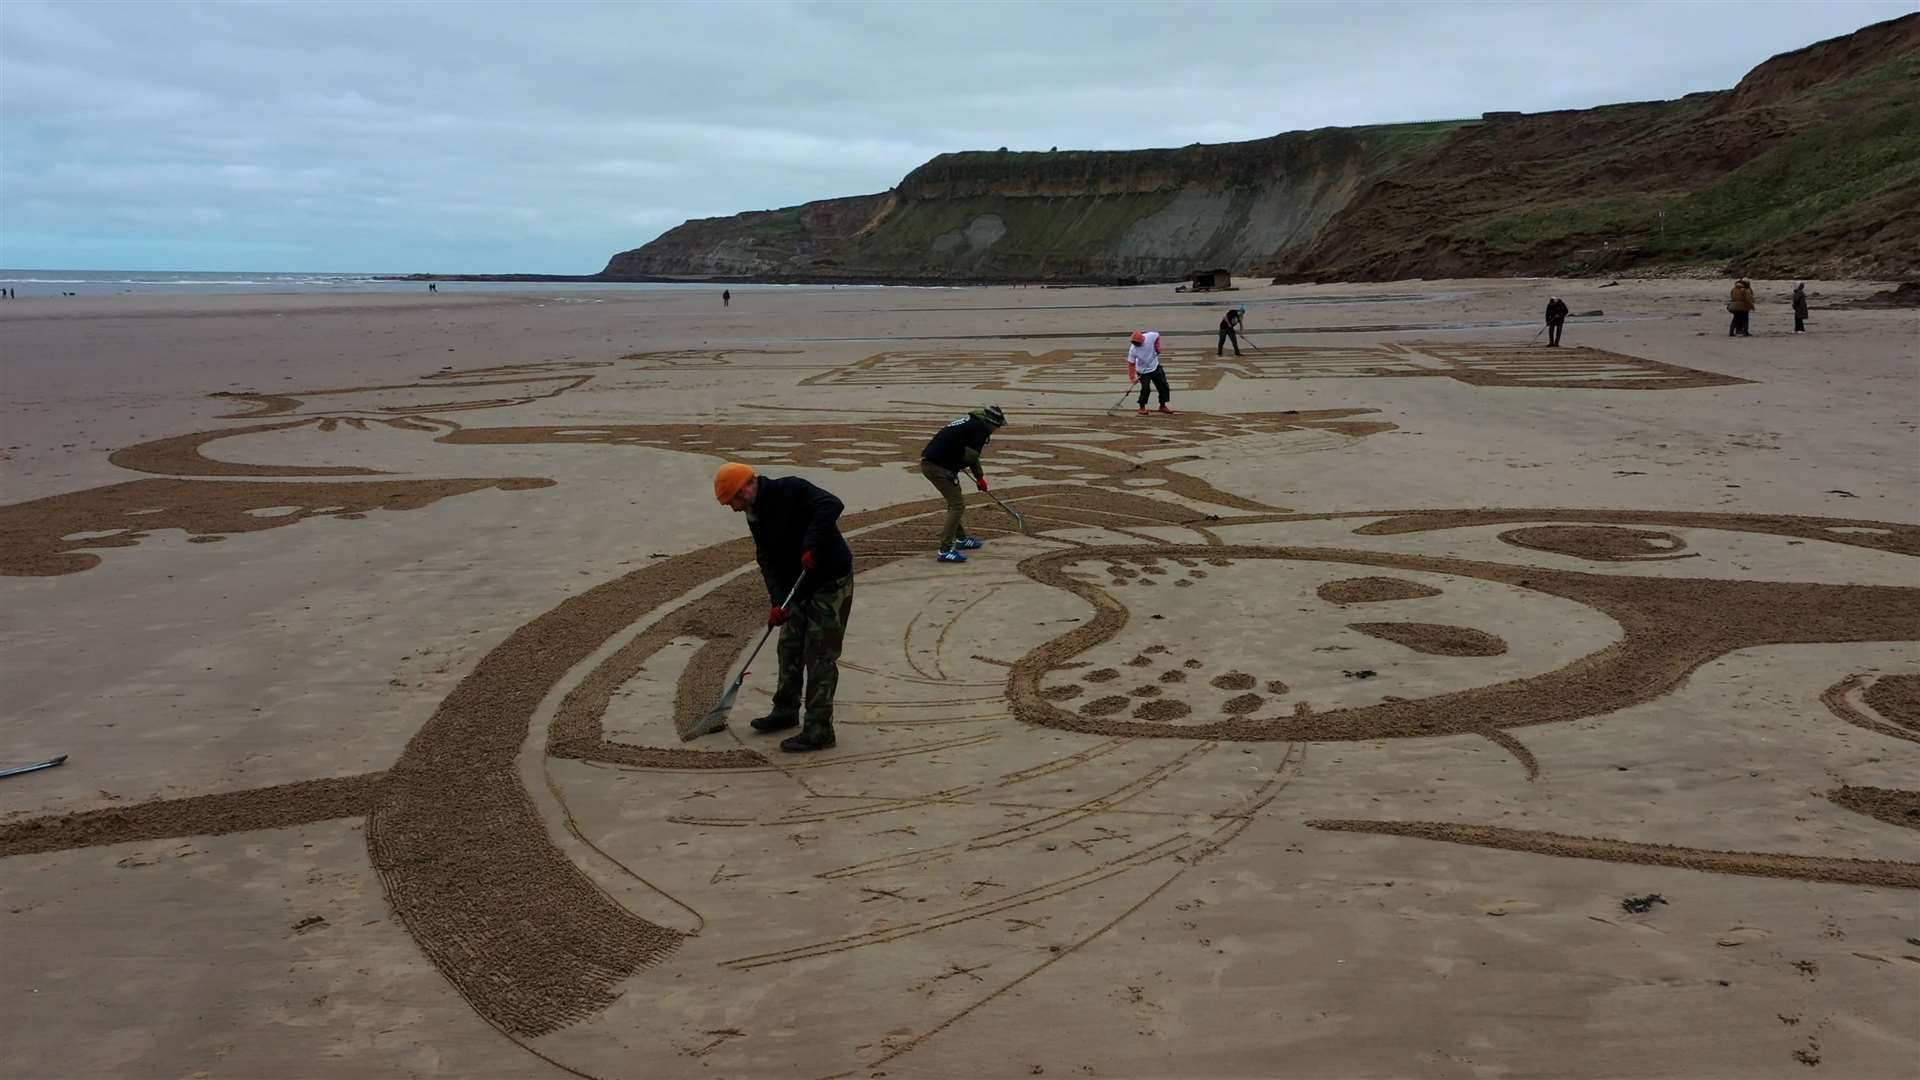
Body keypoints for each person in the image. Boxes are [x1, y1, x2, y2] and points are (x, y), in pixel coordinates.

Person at [713, 462, 855, 752]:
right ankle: (785, 711)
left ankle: (819, 729)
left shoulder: (791, 488)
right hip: (798, 585)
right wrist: (778, 600)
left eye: (733, 501)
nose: (734, 509)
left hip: (830, 580)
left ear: (745, 488)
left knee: (819, 654)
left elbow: (831, 504)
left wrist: (811, 545)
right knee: (789, 645)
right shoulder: (754, 513)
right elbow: (766, 558)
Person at [919, 405, 1006, 563]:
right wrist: (959, 465)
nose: (996, 430)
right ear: (991, 423)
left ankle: (961, 540)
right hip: (938, 468)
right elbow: (971, 457)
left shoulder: (972, 423)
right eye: (997, 427)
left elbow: (970, 455)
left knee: (954, 503)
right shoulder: (980, 430)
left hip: (933, 464)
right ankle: (945, 550)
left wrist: (979, 478)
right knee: (957, 505)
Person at [1128, 330, 1172, 414]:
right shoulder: (1133, 350)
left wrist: (1157, 347)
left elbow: (1157, 335)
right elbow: (1131, 364)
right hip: (1142, 371)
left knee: (1163, 386)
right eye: (1134, 343)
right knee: (1145, 389)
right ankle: (1142, 407)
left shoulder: (1150, 336)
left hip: (1155, 366)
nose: (1136, 345)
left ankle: (1163, 406)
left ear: (1142, 339)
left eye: (1137, 343)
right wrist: (1133, 377)